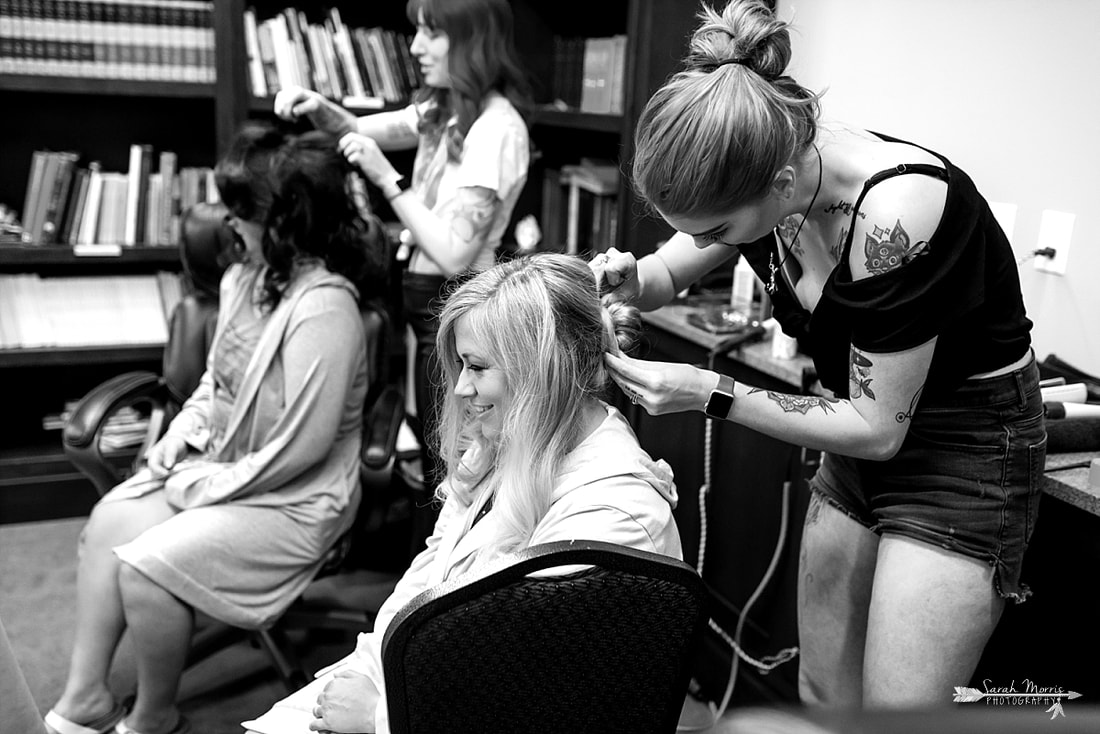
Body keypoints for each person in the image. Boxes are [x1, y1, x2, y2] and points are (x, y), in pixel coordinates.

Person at [593, 0, 1045, 709]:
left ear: (779, 185)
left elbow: (876, 428)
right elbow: (667, 270)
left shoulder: (898, 211)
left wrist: (709, 391)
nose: (711, 241)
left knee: (897, 714)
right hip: (857, 427)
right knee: (823, 691)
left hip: (963, 449)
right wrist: (633, 278)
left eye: (719, 230)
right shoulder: (757, 164)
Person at [242, 253, 683, 734]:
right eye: (460, 365)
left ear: (540, 368)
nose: (460, 389)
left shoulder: (614, 515)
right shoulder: (515, 443)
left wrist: (379, 717)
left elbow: (532, 693)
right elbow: (430, 576)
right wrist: (366, 669)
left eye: (476, 367)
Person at [44, 122, 387, 734]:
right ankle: (85, 697)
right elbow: (216, 385)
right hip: (225, 467)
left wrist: (196, 486)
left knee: (145, 566)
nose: (231, 224)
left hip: (296, 495)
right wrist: (182, 435)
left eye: (242, 211)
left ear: (285, 220)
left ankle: (153, 717)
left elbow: (301, 452)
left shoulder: (326, 307)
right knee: (109, 524)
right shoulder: (241, 280)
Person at [273, 0, 532, 538]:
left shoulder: (497, 130)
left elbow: (456, 251)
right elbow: (367, 129)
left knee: (456, 467)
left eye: (431, 33)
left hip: (460, 309)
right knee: (437, 451)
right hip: (429, 308)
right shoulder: (447, 111)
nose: (415, 46)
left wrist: (385, 178)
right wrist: (322, 109)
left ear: (471, 43)